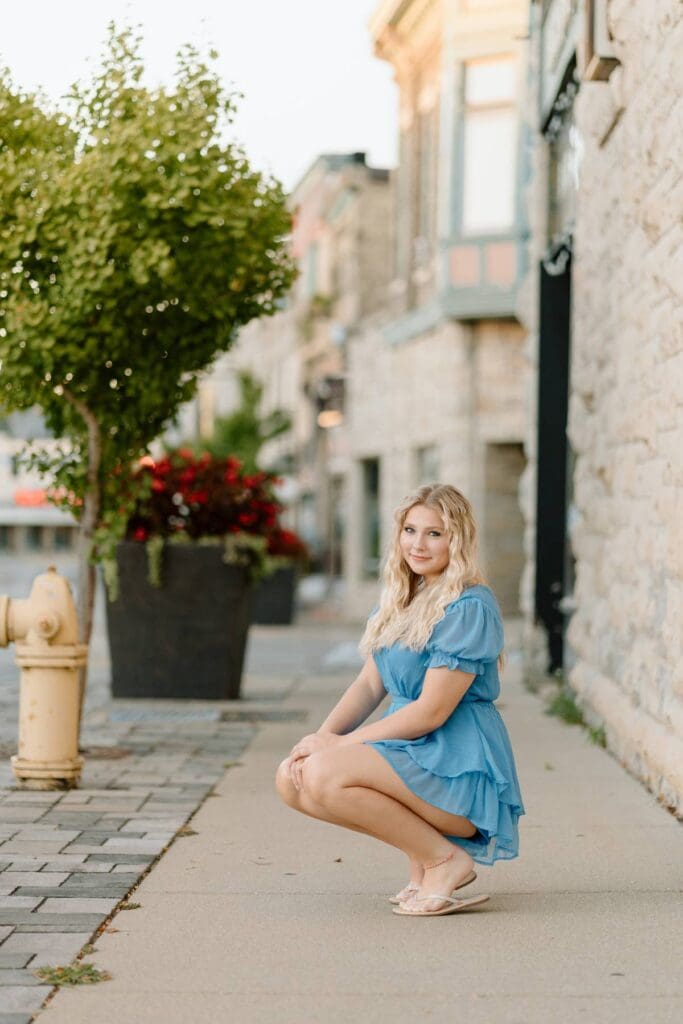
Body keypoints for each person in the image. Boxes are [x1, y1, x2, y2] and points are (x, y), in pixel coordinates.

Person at [275, 483, 525, 918]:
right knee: (290, 778)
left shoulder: (468, 605)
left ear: (457, 539)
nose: (418, 544)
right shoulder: (401, 599)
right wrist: (321, 735)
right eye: (410, 530)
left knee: (325, 774)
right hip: (413, 751)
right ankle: (423, 862)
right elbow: (369, 687)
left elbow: (431, 712)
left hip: (455, 761)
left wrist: (337, 747)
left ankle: (444, 861)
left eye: (435, 533)